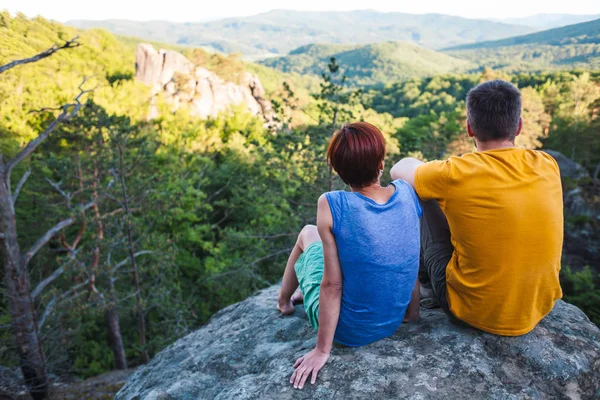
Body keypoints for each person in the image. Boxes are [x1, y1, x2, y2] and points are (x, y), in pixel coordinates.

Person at [390, 79, 563, 336]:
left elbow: (397, 170)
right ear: (519, 126)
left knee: (419, 191)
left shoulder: (455, 172)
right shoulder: (547, 163)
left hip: (471, 312)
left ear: (470, 128)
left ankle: (426, 284)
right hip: (538, 307)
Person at [277, 122, 422, 389]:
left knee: (307, 233)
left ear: (339, 170)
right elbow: (408, 256)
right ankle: (300, 293)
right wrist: (412, 313)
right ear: (381, 161)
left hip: (350, 330)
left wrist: (322, 351)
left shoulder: (332, 204)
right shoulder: (406, 192)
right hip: (392, 320)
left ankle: (284, 302)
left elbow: (332, 285)